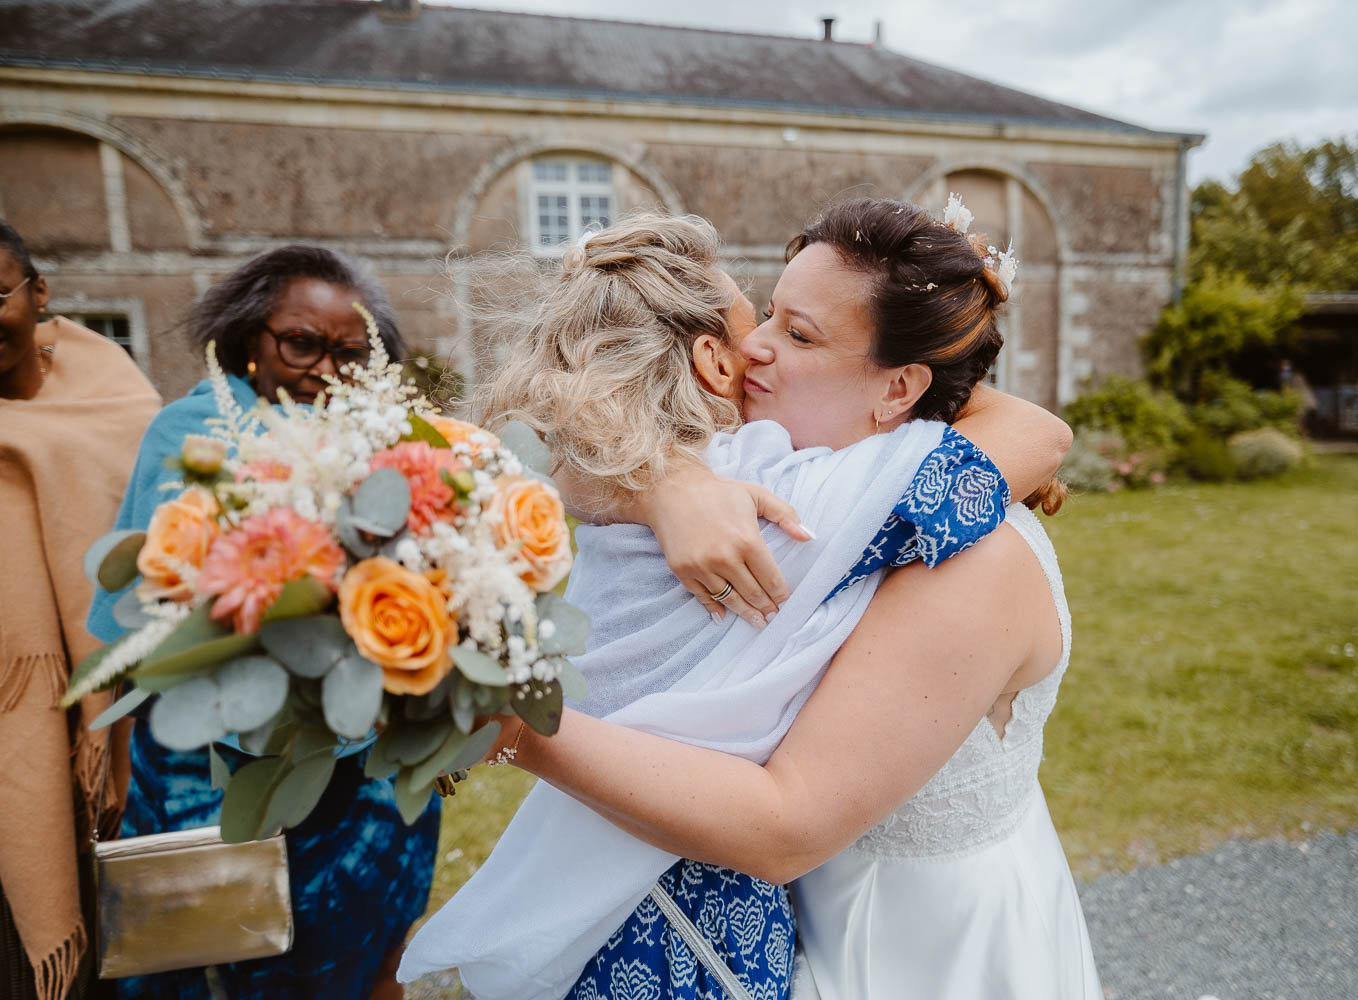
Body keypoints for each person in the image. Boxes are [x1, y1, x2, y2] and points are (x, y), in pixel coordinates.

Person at [402, 199, 1092, 999]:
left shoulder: (953, 551)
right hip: (808, 904)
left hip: (919, 940)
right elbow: (572, 451)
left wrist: (517, 728)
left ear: (899, 387)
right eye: (767, 313)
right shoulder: (770, 481)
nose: (748, 349)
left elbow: (788, 821)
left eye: (798, 335)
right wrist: (665, 486)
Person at [85, 245, 439, 1000]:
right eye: (301, 343)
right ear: (250, 339)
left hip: (363, 768)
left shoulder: (384, 437)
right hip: (214, 768)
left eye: (350, 352)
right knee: (223, 962)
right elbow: (142, 620)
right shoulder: (189, 435)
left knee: (364, 944)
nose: (324, 370)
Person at [0, 220, 159, 1000]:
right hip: (13, 732)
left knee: (122, 945)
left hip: (122, 730)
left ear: (38, 295)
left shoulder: (114, 392)